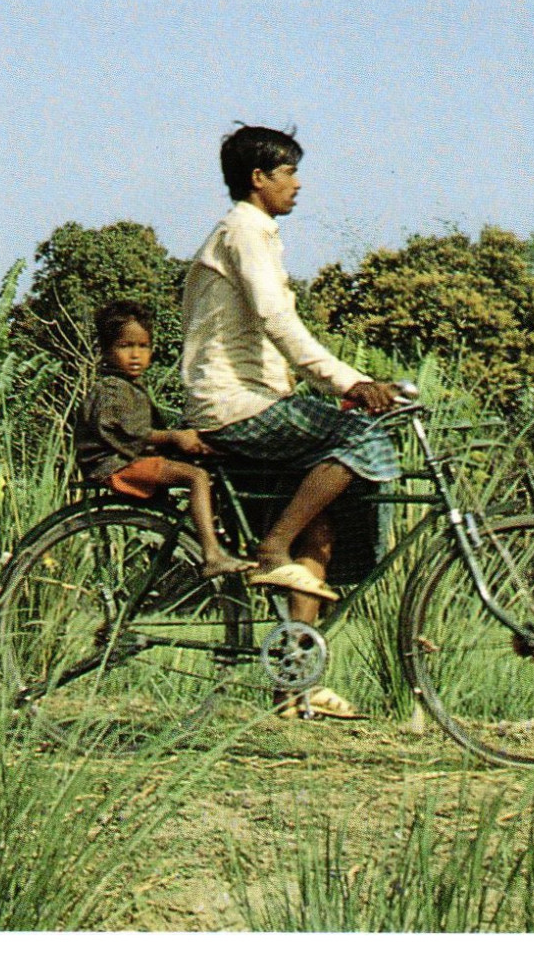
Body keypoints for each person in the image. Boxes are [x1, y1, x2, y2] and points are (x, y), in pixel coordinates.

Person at [182, 125, 406, 719]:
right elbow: (278, 320)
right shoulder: (244, 230)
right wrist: (348, 382)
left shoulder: (255, 233)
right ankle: (271, 546)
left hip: (258, 400)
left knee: (323, 530)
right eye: (289, 173)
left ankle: (296, 682)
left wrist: (348, 384)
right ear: (259, 179)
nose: (298, 184)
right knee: (363, 435)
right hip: (235, 406)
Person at [73, 301, 252, 579]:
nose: (135, 355)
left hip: (127, 459)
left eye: (143, 346)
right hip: (115, 464)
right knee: (196, 477)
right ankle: (212, 554)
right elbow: (128, 433)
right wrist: (173, 437)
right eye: (125, 346)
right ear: (107, 351)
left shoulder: (128, 386)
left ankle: (214, 536)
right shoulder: (110, 389)